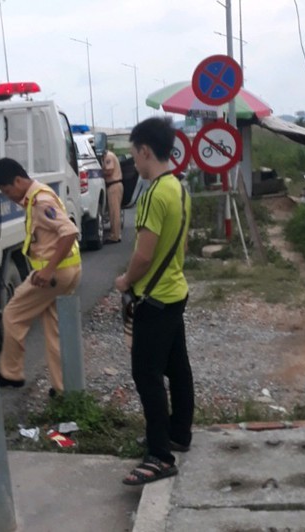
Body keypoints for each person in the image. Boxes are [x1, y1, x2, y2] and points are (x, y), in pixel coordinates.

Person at [114, 118, 193, 486]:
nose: (135, 164)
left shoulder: (152, 195)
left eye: (134, 156)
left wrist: (126, 280)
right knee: (177, 369)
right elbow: (178, 245)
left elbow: (144, 255)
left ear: (145, 151)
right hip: (175, 292)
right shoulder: (179, 187)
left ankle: (160, 455)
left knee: (146, 375)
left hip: (154, 299)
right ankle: (179, 433)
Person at [0, 157, 82, 396]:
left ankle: (11, 373)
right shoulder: (38, 193)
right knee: (54, 330)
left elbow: (70, 232)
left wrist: (49, 269)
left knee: (12, 315)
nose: (8, 195)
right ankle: (63, 390)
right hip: (67, 271)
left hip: (53, 276)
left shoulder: (40, 202)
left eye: (7, 189)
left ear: (19, 180)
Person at [102, 148, 124, 244]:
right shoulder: (110, 155)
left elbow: (109, 170)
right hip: (115, 185)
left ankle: (115, 236)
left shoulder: (108, 157)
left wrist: (100, 172)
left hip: (113, 185)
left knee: (114, 212)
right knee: (115, 212)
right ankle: (116, 234)